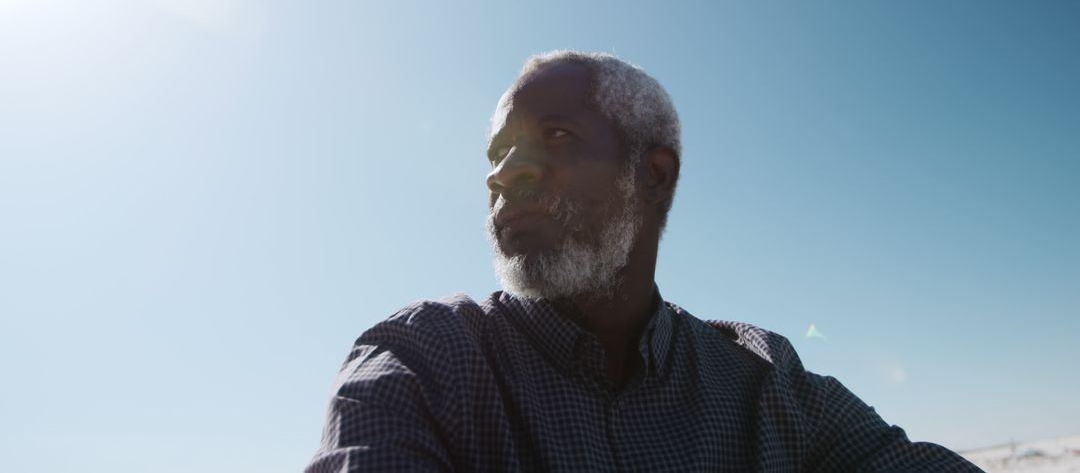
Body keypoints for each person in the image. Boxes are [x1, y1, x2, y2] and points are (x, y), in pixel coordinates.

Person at [306, 51, 982, 472]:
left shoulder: (763, 378)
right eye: (497, 154)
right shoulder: (423, 361)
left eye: (556, 137)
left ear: (652, 176)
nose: (506, 174)